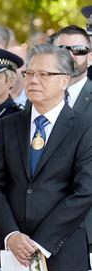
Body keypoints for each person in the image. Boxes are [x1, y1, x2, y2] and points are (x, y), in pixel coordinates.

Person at [0, 44, 92, 271]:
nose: (33, 80)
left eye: (44, 74)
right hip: (16, 253)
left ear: (65, 80)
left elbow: (84, 191)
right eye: (29, 73)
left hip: (60, 253)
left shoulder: (84, 126)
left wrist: (40, 244)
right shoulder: (9, 126)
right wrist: (12, 236)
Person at [53, 25, 92, 254]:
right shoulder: (34, 99)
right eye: (62, 48)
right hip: (40, 227)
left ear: (89, 56)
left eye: (78, 49)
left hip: (87, 228)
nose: (69, 54)